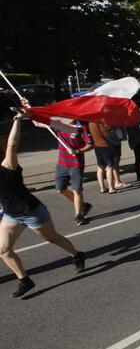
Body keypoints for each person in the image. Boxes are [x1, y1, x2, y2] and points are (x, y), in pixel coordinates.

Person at [1, 103, 85, 298]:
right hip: (11, 215)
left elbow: (13, 144)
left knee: (52, 238)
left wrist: (17, 120)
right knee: (4, 250)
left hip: (32, 212)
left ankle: (76, 254)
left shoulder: (8, 166)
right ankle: (24, 280)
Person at [36, 119, 93, 225]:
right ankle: (83, 205)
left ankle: (79, 215)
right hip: (62, 163)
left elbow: (90, 144)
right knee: (60, 189)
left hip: (76, 164)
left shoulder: (81, 128)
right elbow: (37, 123)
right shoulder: (59, 125)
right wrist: (28, 108)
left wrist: (78, 151)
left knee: (77, 190)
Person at [88, 122, 118, 193]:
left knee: (100, 167)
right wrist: (110, 128)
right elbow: (105, 132)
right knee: (109, 167)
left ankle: (102, 188)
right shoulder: (99, 121)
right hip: (105, 145)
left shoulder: (90, 122)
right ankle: (111, 188)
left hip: (97, 146)